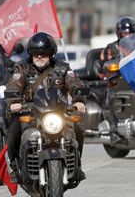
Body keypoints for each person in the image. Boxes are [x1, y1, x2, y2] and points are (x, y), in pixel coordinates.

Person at [5, 32, 87, 182]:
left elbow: (74, 83)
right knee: (14, 130)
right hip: (30, 111)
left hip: (58, 110)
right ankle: (15, 167)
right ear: (30, 54)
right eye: (36, 53)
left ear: (52, 54)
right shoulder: (22, 68)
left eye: (44, 53)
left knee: (78, 130)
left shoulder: (62, 68)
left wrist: (79, 100)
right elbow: (14, 84)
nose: (40, 57)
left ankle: (77, 165)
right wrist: (15, 100)